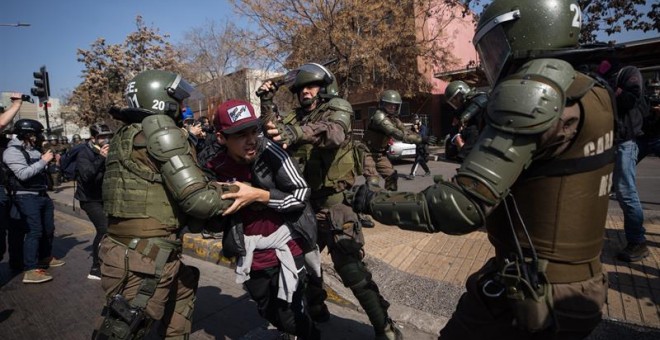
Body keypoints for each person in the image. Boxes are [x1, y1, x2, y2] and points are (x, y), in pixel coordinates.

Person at [350, 0, 614, 338]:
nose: (488, 60)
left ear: (520, 29)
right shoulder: (591, 91)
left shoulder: (534, 95)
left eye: (492, 45)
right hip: (579, 283)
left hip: (533, 290)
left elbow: (460, 208)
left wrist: (369, 201)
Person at [259, 63, 402, 340]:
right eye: (301, 88)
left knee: (351, 270)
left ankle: (385, 327)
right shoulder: (295, 117)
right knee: (300, 264)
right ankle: (314, 308)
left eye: (311, 86)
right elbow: (272, 130)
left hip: (335, 205)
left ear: (324, 88)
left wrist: (296, 134)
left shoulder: (338, 107)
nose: (305, 92)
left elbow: (334, 133)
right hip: (303, 204)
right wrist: (266, 100)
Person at [94, 70, 236, 339]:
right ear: (162, 100)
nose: (183, 108)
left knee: (183, 286)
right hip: (145, 256)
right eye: (178, 101)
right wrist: (238, 192)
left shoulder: (126, 134)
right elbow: (199, 201)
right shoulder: (160, 131)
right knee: (125, 330)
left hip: (126, 249)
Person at [206, 99, 320, 339]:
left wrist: (260, 195)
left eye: (253, 131)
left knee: (293, 316)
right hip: (250, 253)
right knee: (268, 308)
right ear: (221, 138)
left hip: (287, 247)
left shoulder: (270, 151)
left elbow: (301, 194)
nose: (251, 140)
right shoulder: (212, 165)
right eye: (239, 134)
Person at [598, 59, 653, 262]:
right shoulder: (600, 76)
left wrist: (609, 87)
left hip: (626, 141)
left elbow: (630, 100)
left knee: (625, 191)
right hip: (608, 142)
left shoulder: (628, 72)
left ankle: (637, 242)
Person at [3, 119, 65, 284]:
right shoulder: (12, 152)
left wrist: (52, 163)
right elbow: (23, 174)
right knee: (34, 231)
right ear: (28, 134)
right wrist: (43, 161)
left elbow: (42, 169)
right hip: (25, 196)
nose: (39, 138)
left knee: (48, 229)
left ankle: (45, 257)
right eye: (37, 135)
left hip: (41, 194)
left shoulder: (35, 150)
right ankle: (30, 269)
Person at [362, 90, 436, 191]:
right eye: (389, 104)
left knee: (392, 176)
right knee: (373, 181)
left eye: (395, 105)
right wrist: (420, 140)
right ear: (383, 104)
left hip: (380, 154)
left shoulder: (394, 119)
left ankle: (389, 200)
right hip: (368, 153)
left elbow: (406, 131)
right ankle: (369, 203)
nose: (392, 107)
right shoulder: (379, 116)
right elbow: (395, 133)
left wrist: (422, 138)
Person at [75, 123, 113, 280]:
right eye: (102, 137)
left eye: (108, 136)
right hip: (89, 199)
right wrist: (101, 158)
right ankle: (95, 267)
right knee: (103, 228)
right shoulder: (85, 153)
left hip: (105, 197)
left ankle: (109, 260)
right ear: (93, 138)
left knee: (114, 230)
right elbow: (87, 176)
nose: (106, 139)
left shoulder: (110, 150)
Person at [444, 80, 489, 161]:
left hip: (483, 137)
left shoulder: (480, 97)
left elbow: (479, 103)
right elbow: (453, 127)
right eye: (452, 101)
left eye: (455, 99)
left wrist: (465, 117)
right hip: (468, 143)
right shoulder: (461, 109)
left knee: (473, 130)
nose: (454, 103)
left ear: (462, 92)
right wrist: (456, 138)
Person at [406, 114, 431, 179]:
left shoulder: (423, 127)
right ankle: (427, 171)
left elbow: (421, 136)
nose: (414, 121)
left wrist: (416, 130)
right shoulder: (414, 127)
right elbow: (409, 134)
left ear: (419, 120)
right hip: (418, 146)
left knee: (417, 160)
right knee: (421, 160)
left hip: (423, 147)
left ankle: (412, 174)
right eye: (413, 120)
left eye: (416, 120)